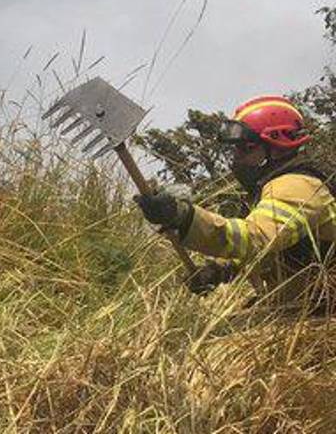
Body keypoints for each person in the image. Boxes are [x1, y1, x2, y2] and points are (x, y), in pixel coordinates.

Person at [137, 96, 336, 308]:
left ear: (277, 145)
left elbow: (255, 238)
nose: (236, 158)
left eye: (246, 148)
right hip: (307, 306)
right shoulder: (274, 188)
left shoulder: (297, 186)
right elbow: (269, 247)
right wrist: (218, 270)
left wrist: (183, 217)